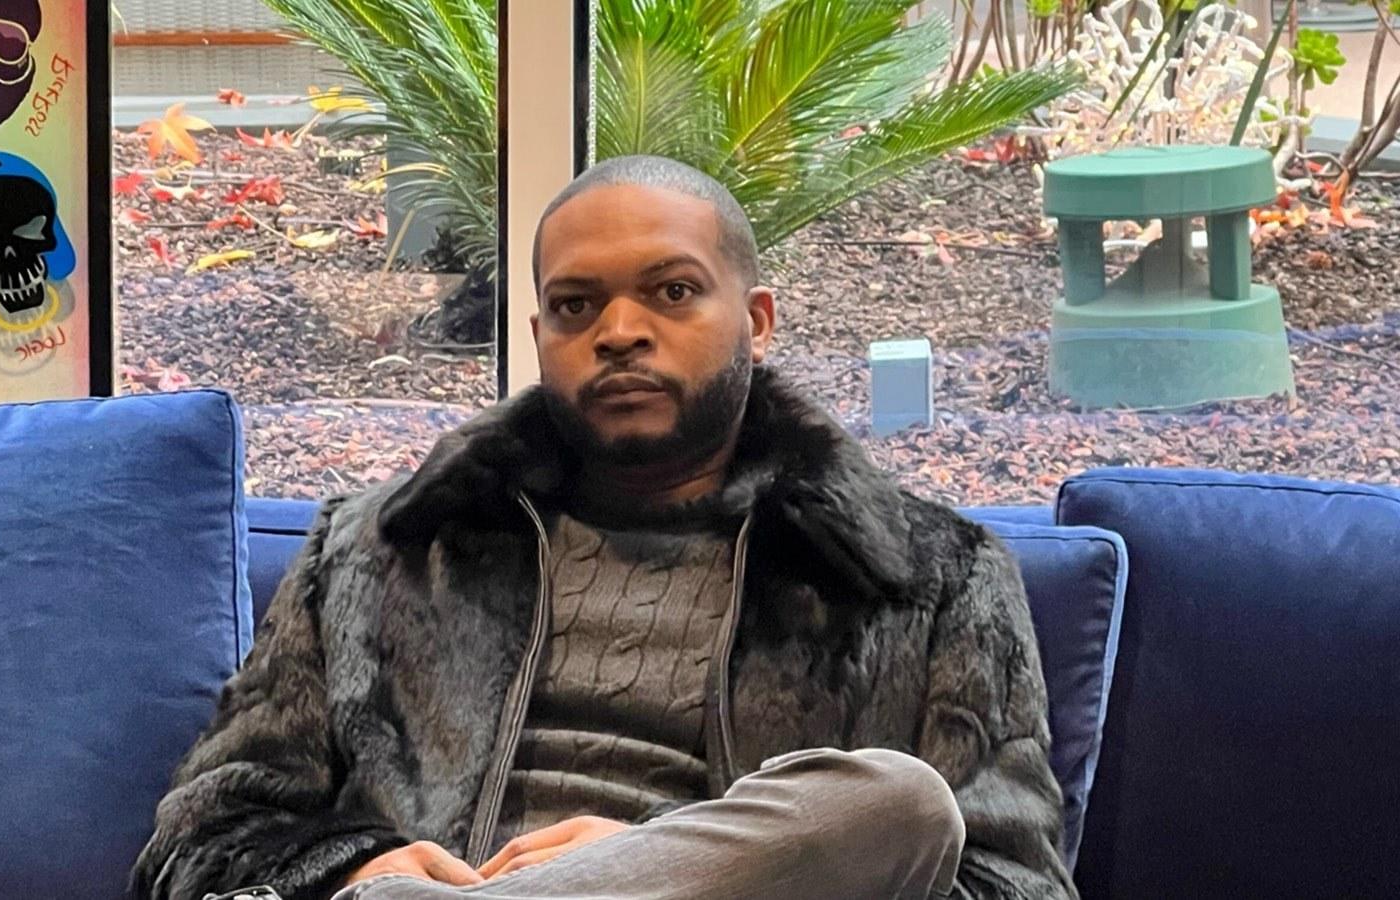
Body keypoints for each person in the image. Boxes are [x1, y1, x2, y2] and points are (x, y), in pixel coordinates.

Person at [131, 155, 1074, 900]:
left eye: (670, 292)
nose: (619, 330)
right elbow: (200, 836)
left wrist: (662, 869)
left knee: (894, 805)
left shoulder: (928, 578)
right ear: (539, 335)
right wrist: (352, 869)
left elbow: (1013, 885)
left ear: (756, 320)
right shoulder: (374, 552)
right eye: (578, 305)